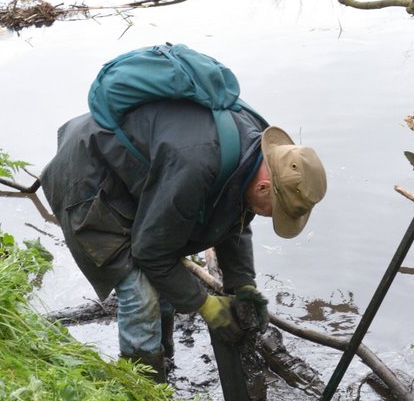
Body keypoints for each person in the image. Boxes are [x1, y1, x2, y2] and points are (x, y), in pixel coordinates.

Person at [40, 89, 327, 383]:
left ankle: (164, 360)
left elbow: (234, 215)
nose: (269, 217)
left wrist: (242, 283)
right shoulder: (196, 163)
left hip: (138, 180)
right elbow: (151, 253)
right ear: (265, 187)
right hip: (86, 177)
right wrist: (203, 303)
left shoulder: (255, 155)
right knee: (141, 294)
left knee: (164, 279)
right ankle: (145, 393)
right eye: (274, 212)